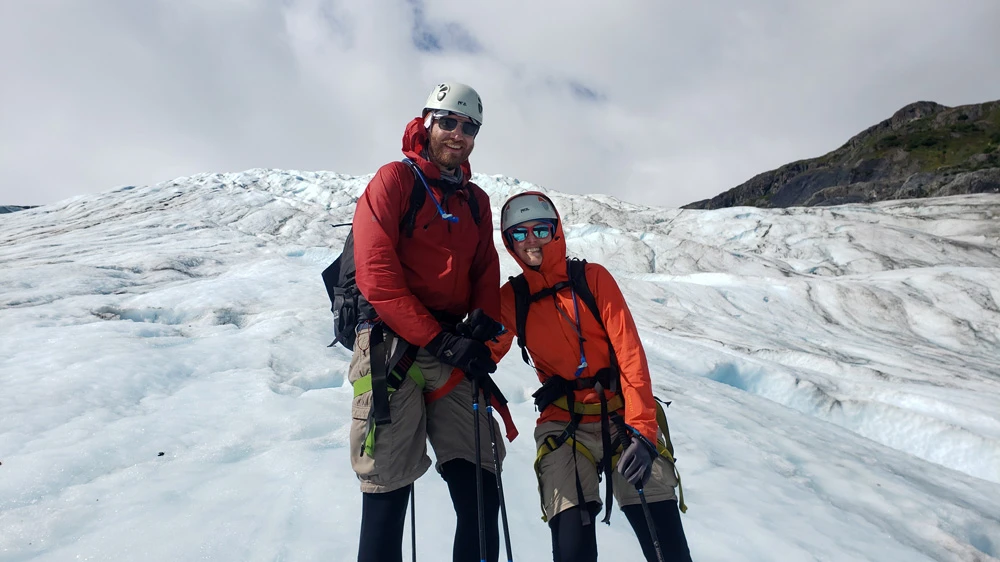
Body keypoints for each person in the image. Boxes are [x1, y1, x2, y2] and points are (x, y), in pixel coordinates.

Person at [348, 82, 514, 562]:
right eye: (449, 121)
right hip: (389, 348)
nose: (458, 134)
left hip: (450, 347)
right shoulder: (393, 181)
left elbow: (485, 267)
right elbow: (376, 277)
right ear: (426, 122)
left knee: (482, 483)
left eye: (469, 126)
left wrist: (481, 323)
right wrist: (440, 340)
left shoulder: (476, 201)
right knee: (387, 488)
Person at [489, 192, 692, 562]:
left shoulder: (591, 279)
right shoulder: (512, 299)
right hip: (563, 426)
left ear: (556, 232)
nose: (530, 240)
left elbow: (630, 355)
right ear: (509, 242)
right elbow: (485, 353)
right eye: (519, 234)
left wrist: (644, 432)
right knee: (572, 548)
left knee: (668, 545)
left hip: (622, 419)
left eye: (540, 229)